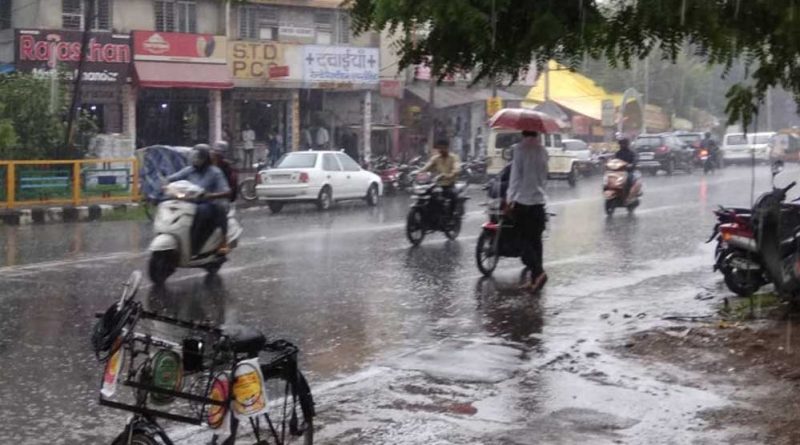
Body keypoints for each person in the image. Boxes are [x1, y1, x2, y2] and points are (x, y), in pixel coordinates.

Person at [168, 144, 232, 255]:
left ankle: (222, 241)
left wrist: (209, 196)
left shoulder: (215, 172)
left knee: (205, 210)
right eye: (193, 156)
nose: (195, 160)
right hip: (189, 202)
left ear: (205, 158)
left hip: (210, 203)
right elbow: (171, 179)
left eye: (198, 157)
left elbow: (227, 192)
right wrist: (164, 186)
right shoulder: (189, 170)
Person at [507, 130, 549, 292]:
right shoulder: (543, 151)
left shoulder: (520, 149)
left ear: (522, 133)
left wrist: (510, 199)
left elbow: (515, 177)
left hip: (523, 202)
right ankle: (534, 280)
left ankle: (538, 273)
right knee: (536, 242)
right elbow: (544, 176)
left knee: (522, 242)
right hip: (539, 202)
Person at [419, 138, 460, 220]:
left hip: (449, 184)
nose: (441, 150)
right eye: (439, 148)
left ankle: (451, 217)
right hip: (437, 184)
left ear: (447, 147)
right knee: (429, 196)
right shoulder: (435, 158)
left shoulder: (454, 158)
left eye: (443, 148)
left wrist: (450, 174)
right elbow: (427, 166)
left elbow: (456, 168)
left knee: (453, 196)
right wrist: (419, 172)